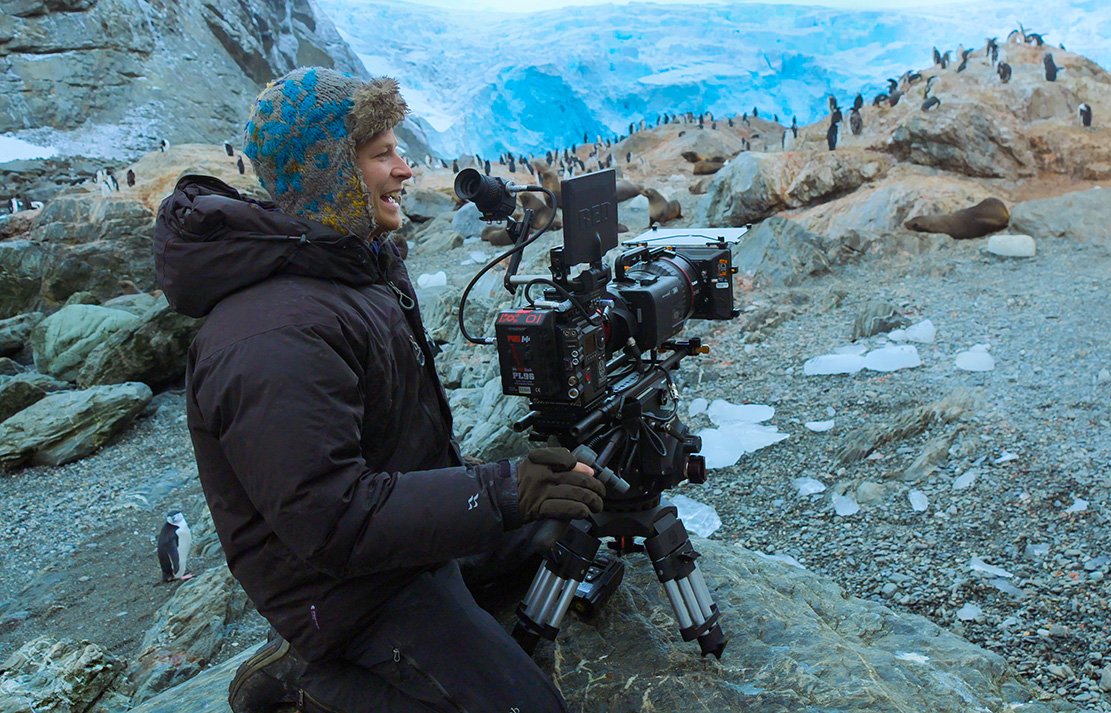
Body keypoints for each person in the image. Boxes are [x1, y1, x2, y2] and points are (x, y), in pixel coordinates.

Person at [153, 67, 607, 713]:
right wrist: (498, 489)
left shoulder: (348, 264)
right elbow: (331, 519)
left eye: (398, 148)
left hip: (399, 545)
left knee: (572, 515)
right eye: (380, 154)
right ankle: (306, 685)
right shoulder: (269, 334)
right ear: (327, 175)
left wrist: (497, 487)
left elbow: (391, 444)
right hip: (348, 590)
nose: (404, 169)